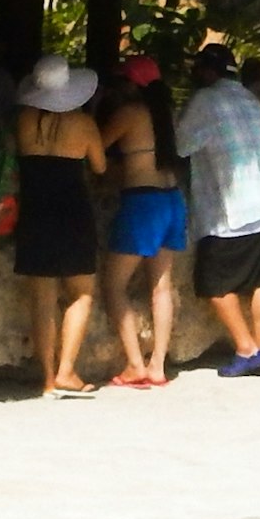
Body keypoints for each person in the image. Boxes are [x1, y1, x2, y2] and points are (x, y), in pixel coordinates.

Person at [176, 43, 260, 374]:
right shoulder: (248, 98)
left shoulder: (204, 101)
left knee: (214, 283)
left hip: (233, 208)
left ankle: (246, 349)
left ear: (207, 71)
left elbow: (182, 145)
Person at [11, 53, 109, 396]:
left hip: (35, 212)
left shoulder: (23, 121)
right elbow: (99, 166)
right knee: (81, 293)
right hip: (72, 211)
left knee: (42, 300)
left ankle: (48, 379)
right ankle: (68, 369)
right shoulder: (82, 124)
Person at [97, 55, 187, 389]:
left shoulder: (129, 114)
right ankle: (158, 366)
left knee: (113, 285)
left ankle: (135, 364)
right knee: (161, 286)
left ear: (131, 84)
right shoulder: (166, 117)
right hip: (172, 199)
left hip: (143, 202)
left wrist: (95, 108)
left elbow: (97, 146)